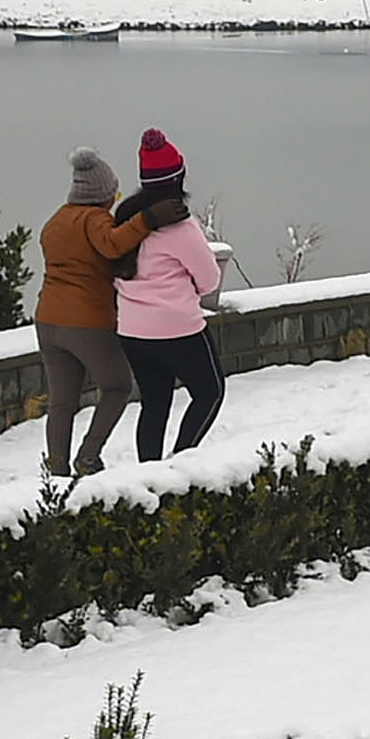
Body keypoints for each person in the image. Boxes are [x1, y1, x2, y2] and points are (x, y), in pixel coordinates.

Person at [111, 127, 226, 458]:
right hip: (178, 328)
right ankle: (180, 462)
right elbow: (209, 279)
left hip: (132, 330)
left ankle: (149, 475)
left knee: (155, 401)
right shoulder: (180, 225)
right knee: (210, 392)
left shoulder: (125, 217)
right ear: (179, 177)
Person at [34, 148, 143, 477]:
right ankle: (88, 457)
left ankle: (56, 471)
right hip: (86, 323)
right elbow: (113, 244)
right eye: (115, 193)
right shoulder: (95, 219)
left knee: (62, 402)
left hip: (48, 321)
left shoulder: (57, 220)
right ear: (103, 195)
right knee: (117, 386)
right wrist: (147, 220)